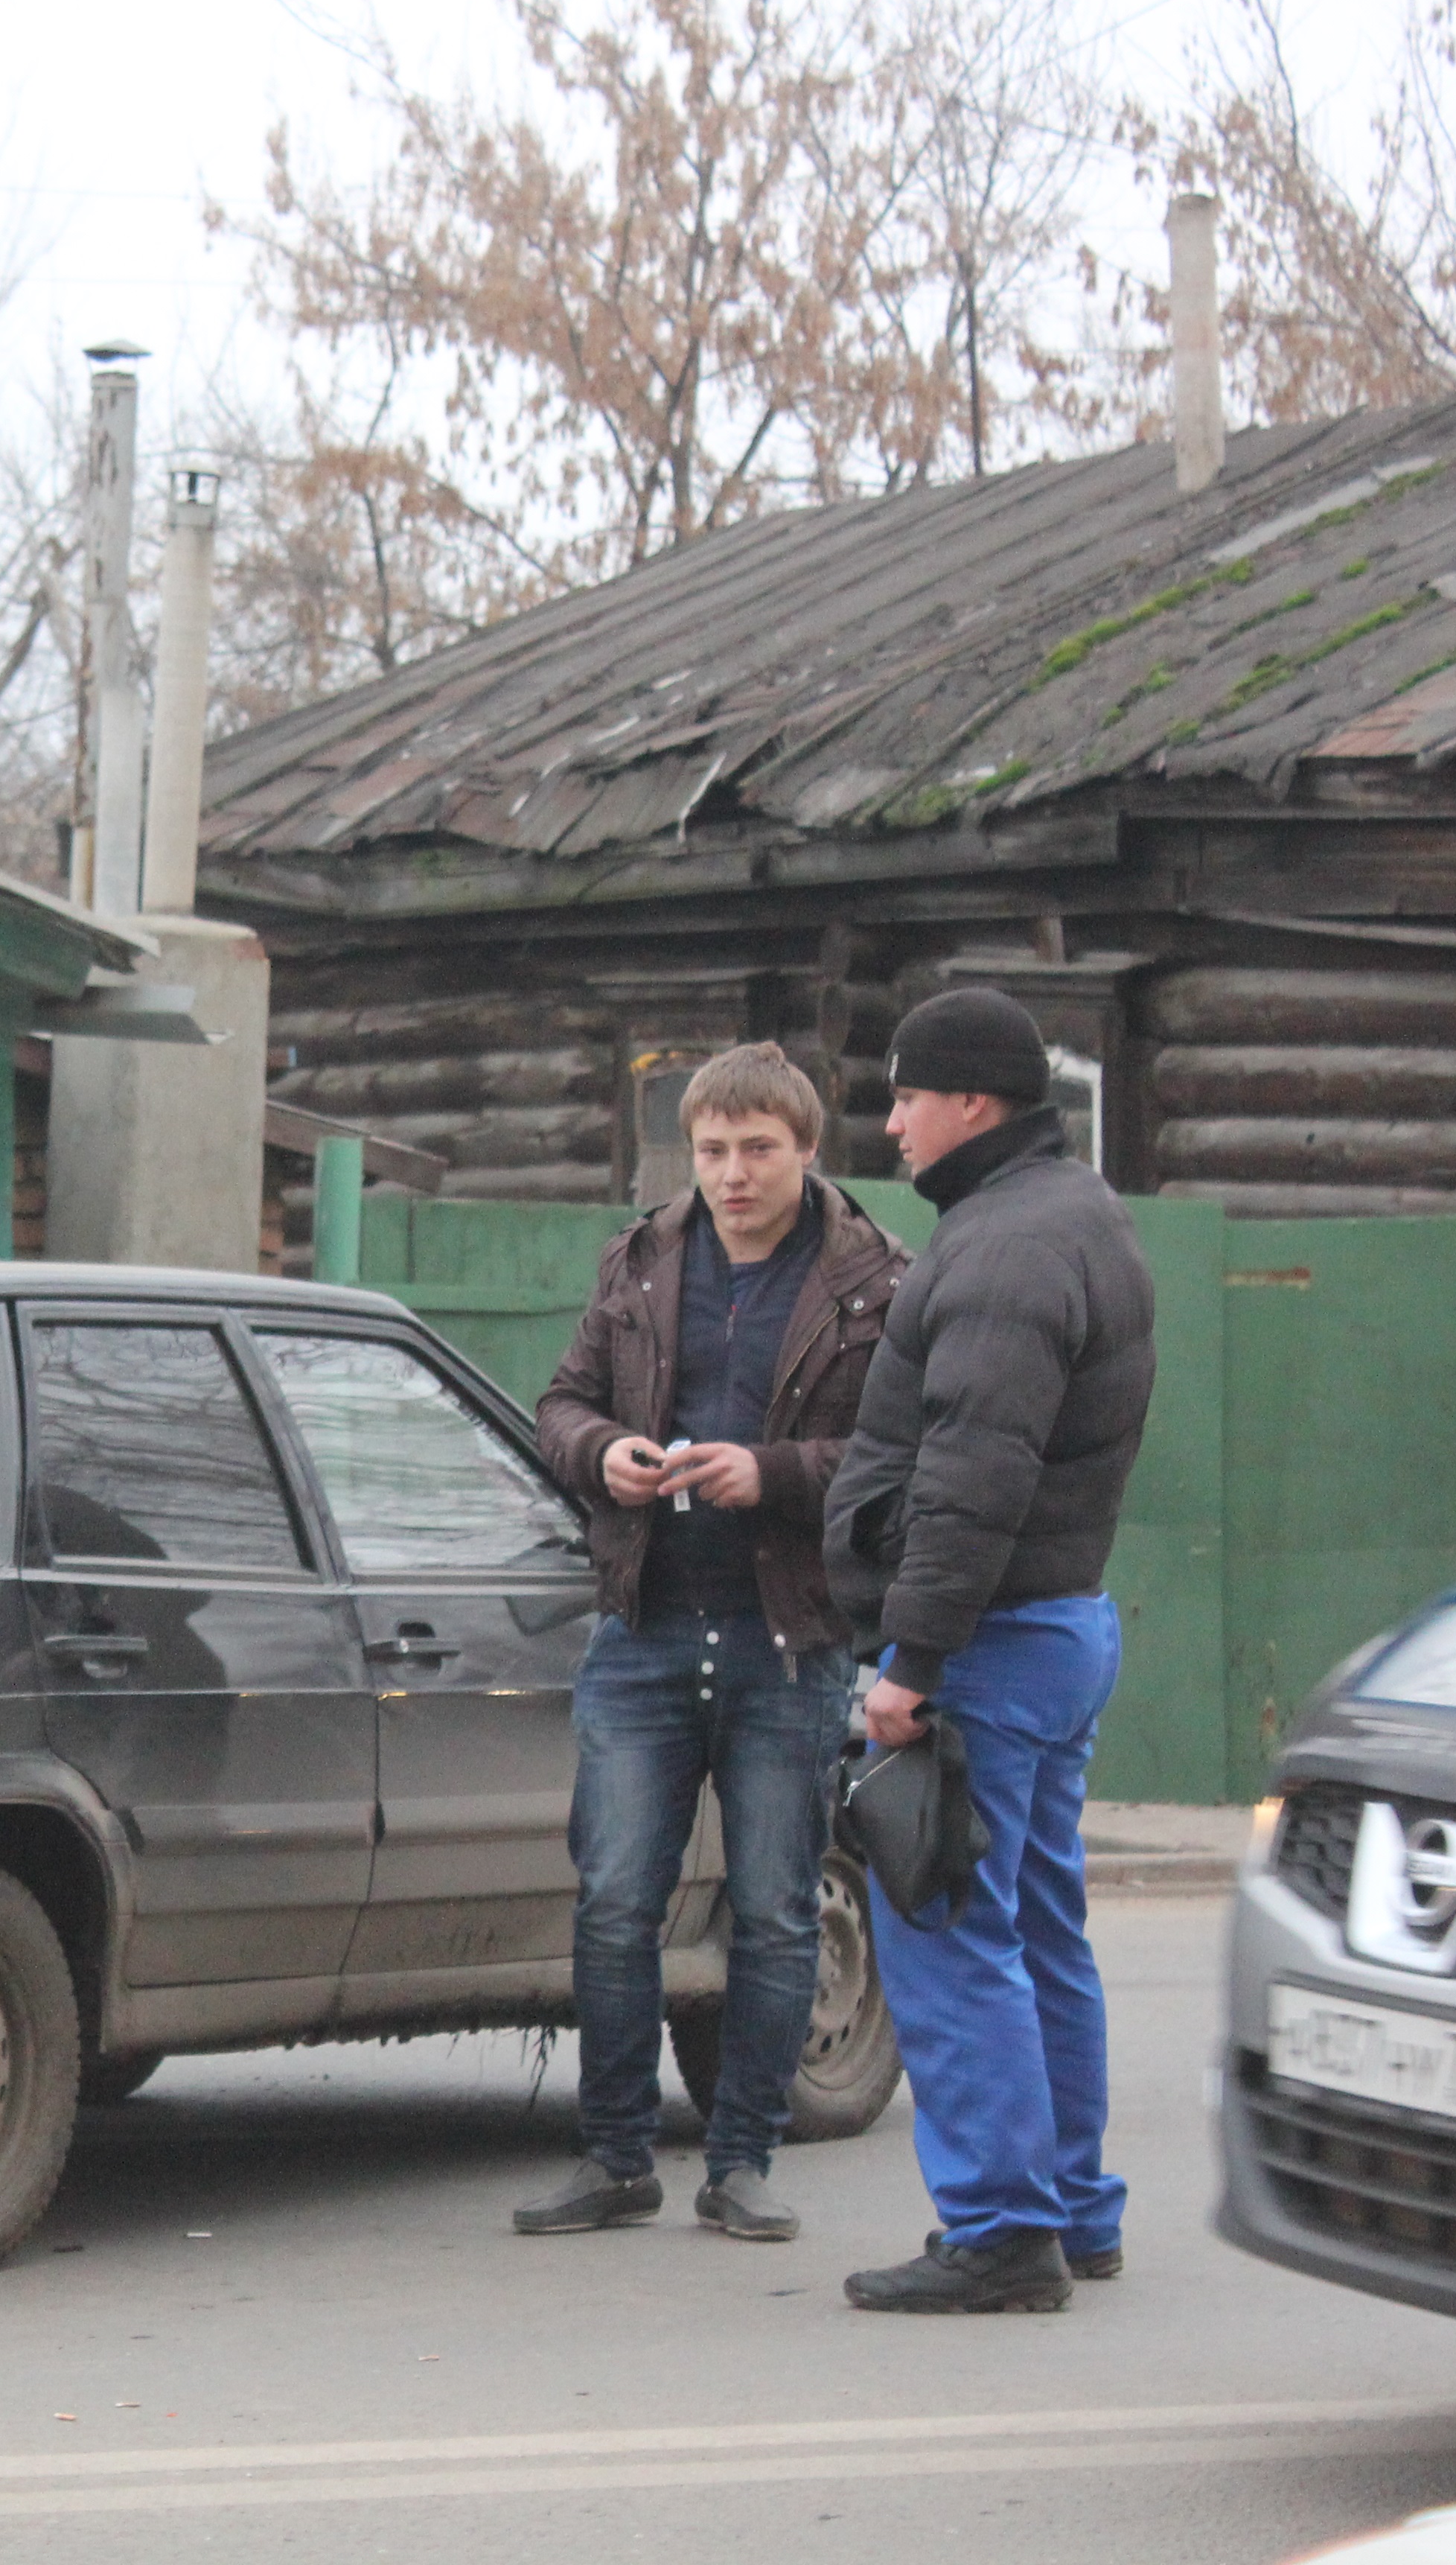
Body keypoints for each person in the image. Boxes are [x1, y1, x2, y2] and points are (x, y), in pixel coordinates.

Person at [517, 1042, 908, 2245]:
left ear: (806, 1151)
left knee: (779, 1908)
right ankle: (616, 2155)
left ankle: (742, 2163)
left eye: (758, 1150)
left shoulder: (876, 1283)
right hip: (644, 1628)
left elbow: (900, 1456)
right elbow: (560, 1408)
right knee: (615, 1900)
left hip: (784, 1637)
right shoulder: (641, 1258)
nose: (732, 1175)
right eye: (712, 1151)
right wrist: (604, 1457)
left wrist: (772, 1472)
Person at [822, 985, 1155, 2315]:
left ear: (973, 1102)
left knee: (949, 1925)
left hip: (986, 1645)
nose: (892, 1123)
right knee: (1039, 1926)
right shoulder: (1070, 1213)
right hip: (1056, 1622)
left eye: (905, 1096)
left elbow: (973, 1475)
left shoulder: (1009, 1248)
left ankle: (1004, 2230)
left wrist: (909, 1662)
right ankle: (1073, 2209)